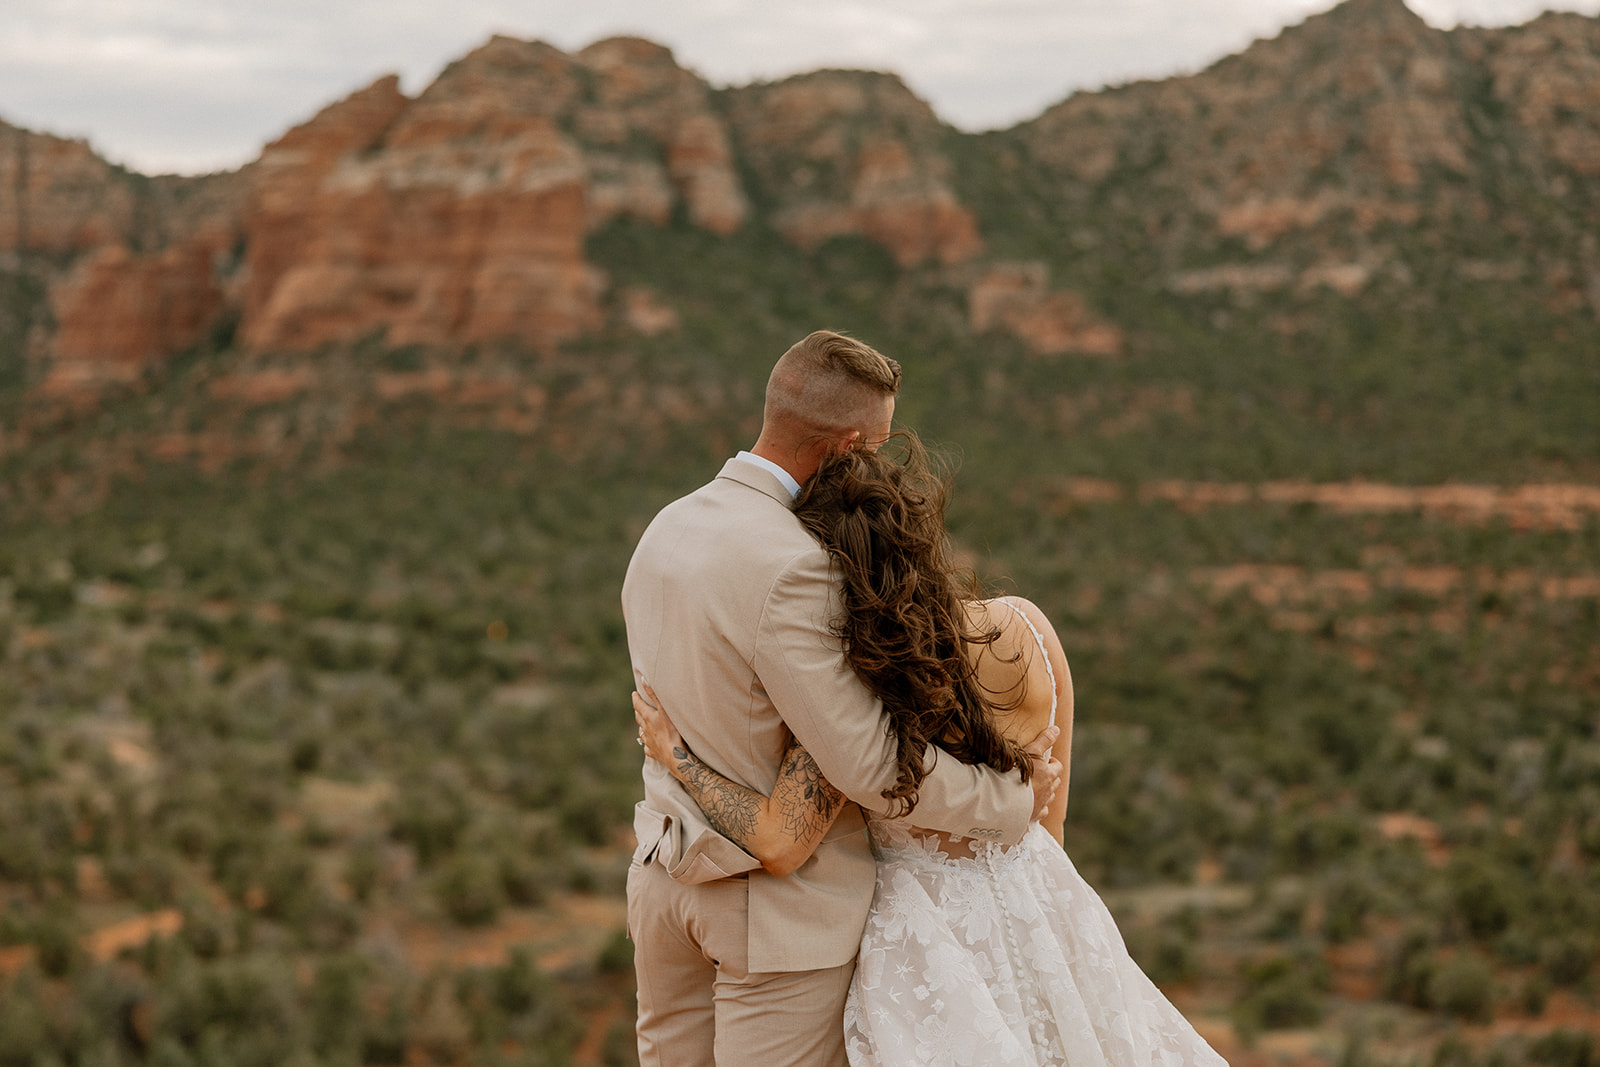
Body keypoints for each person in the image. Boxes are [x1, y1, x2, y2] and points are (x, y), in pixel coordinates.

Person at [634, 437, 1228, 1067]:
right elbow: (1049, 829)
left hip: (925, 947)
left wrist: (677, 758)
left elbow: (781, 836)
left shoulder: (863, 684)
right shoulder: (1026, 626)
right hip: (1049, 917)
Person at [620, 331, 1064, 1067]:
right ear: (845, 445)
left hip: (664, 881)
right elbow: (869, 763)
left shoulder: (666, 528)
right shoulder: (797, 568)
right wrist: (1012, 801)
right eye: (878, 447)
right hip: (767, 916)